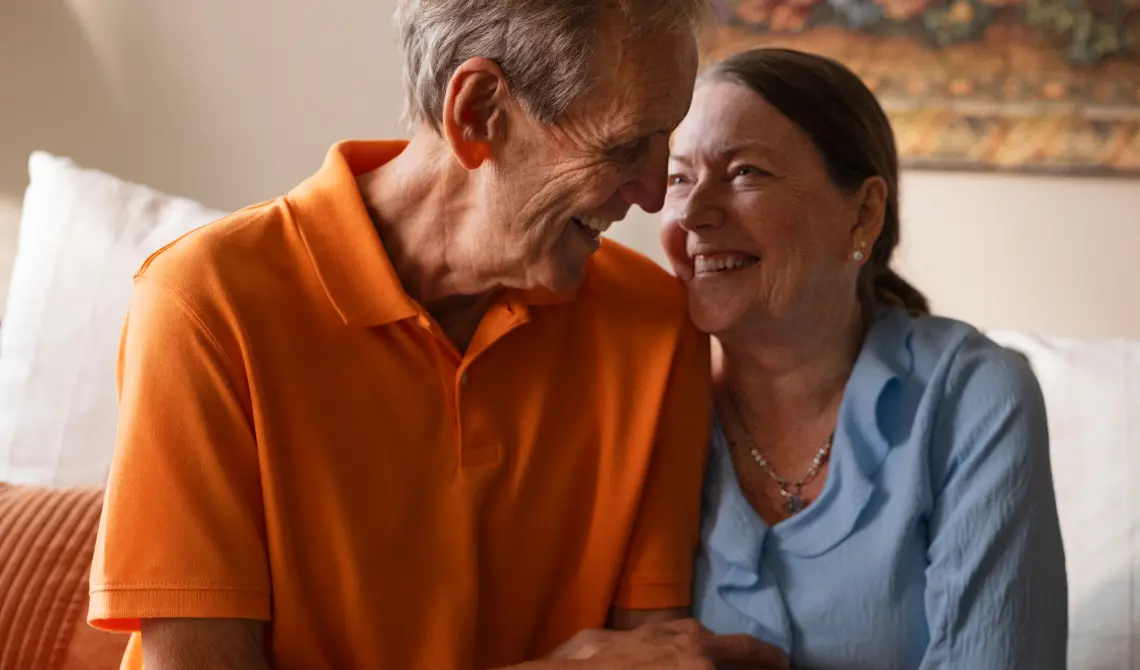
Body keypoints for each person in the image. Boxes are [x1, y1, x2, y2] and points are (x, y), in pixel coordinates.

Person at [86, 3, 787, 669]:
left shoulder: (657, 325)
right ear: (477, 112)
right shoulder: (206, 304)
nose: (655, 195)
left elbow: (649, 658)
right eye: (627, 145)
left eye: (665, 141)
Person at [660, 48, 1068, 669]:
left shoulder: (973, 396)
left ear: (864, 213)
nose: (693, 212)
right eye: (679, 177)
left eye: (745, 172)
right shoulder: (644, 394)